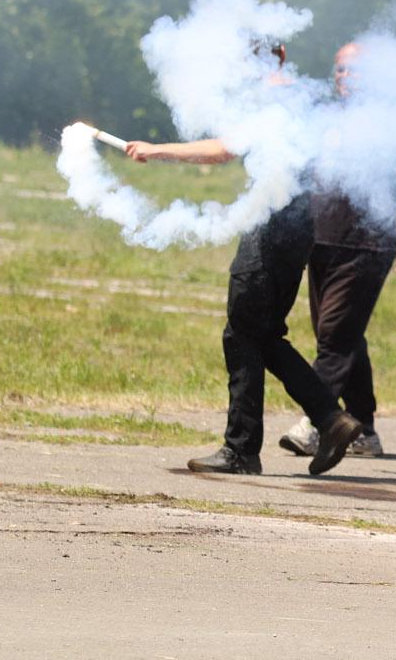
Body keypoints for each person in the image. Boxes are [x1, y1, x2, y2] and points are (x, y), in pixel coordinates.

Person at [124, 42, 362, 476]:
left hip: (271, 226)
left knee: (242, 333)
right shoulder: (307, 94)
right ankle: (331, 419)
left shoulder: (270, 97)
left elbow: (224, 149)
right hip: (299, 226)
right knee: (264, 334)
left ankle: (241, 450)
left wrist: (157, 150)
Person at [278, 42, 396, 459]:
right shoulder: (326, 118)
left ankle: (318, 421)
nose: (346, 78)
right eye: (340, 70)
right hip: (322, 241)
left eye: (356, 71)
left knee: (335, 338)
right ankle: (364, 428)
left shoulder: (391, 123)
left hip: (367, 244)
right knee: (343, 336)